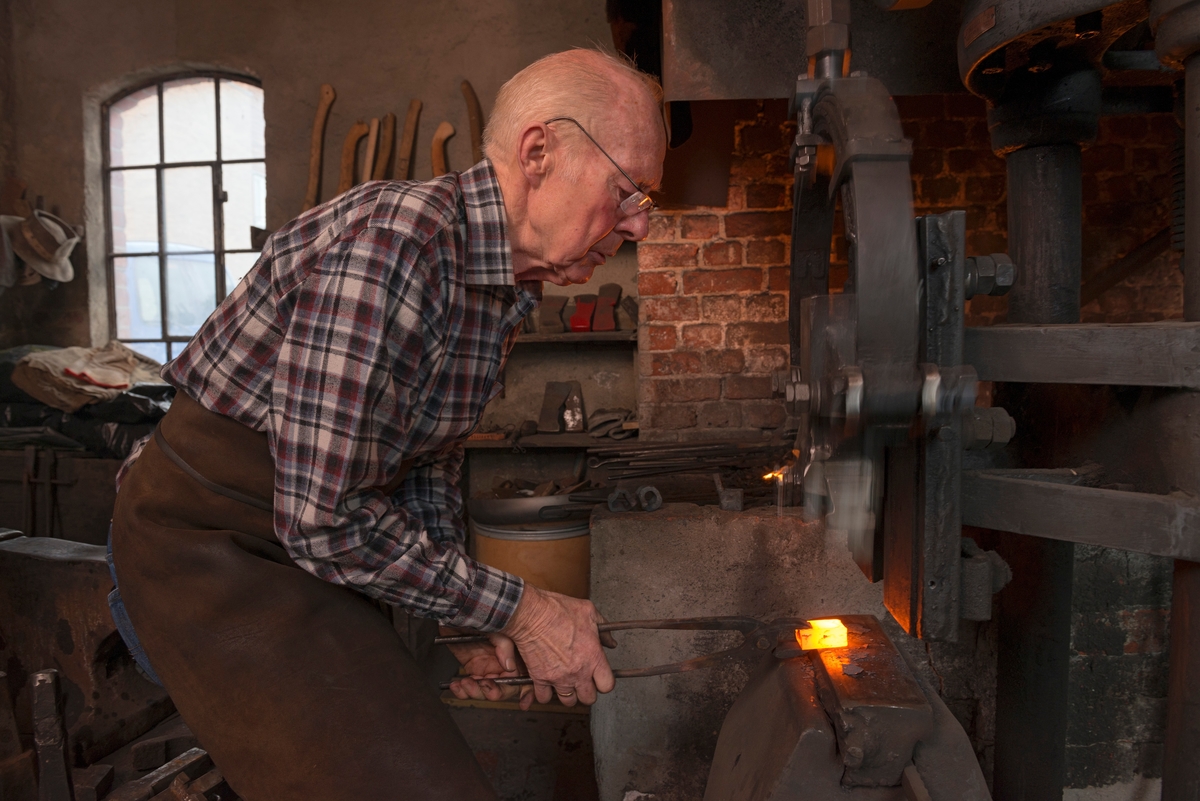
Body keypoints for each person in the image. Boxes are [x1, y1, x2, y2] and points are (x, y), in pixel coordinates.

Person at [108, 48, 666, 800]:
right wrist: (521, 608)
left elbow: (425, 463)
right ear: (539, 152)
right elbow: (321, 518)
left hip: (302, 544)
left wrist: (461, 618)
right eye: (626, 189)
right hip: (211, 544)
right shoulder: (400, 243)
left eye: (645, 203)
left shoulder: (501, 289)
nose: (634, 225)